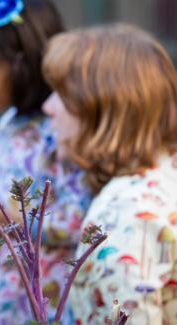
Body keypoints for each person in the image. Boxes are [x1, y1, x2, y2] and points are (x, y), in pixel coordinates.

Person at [0, 0, 93, 323]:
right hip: (4, 286)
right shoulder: (10, 123)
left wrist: (8, 219)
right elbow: (9, 201)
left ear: (29, 60)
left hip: (49, 292)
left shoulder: (66, 127)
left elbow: (82, 218)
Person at [42, 24, 177, 324]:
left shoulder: (127, 212)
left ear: (101, 107)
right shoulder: (165, 180)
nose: (47, 107)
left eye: (61, 95)